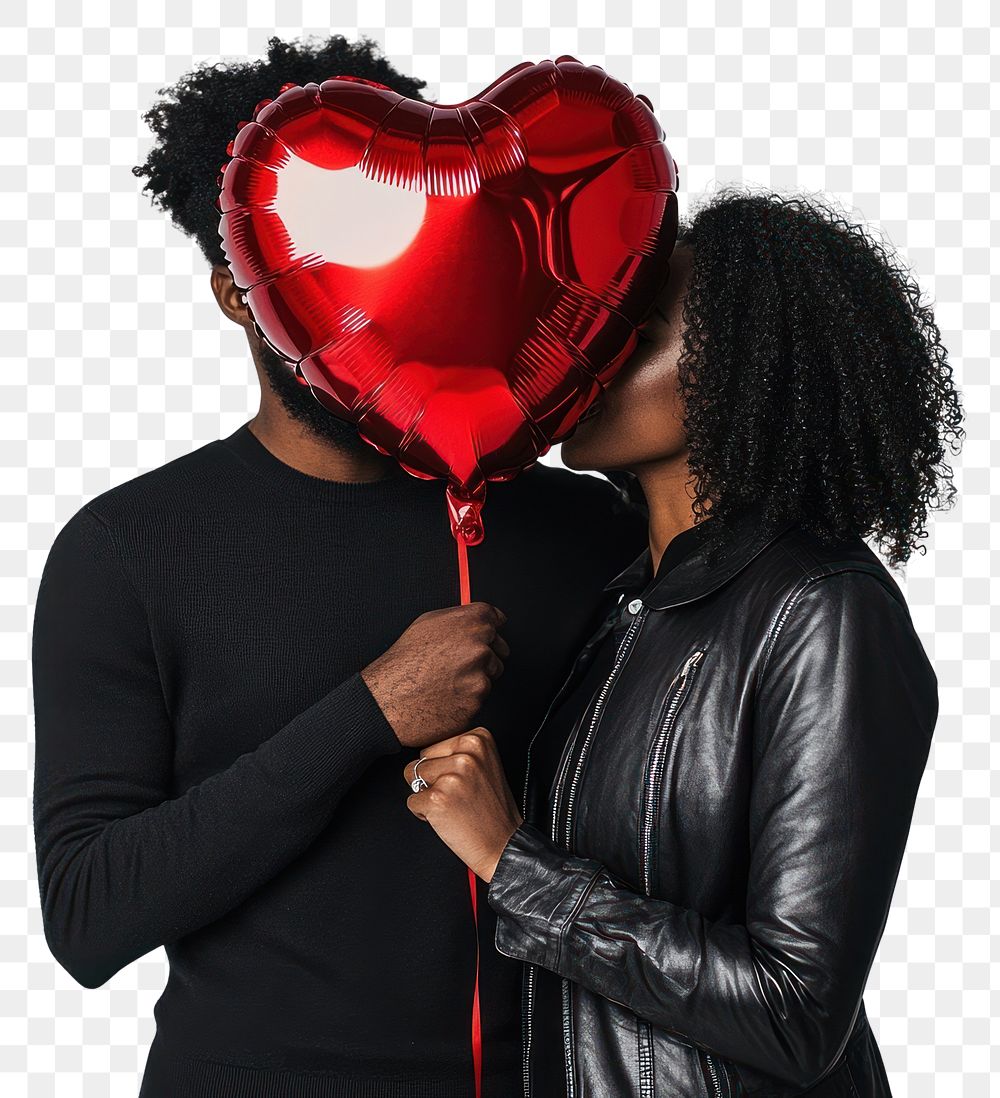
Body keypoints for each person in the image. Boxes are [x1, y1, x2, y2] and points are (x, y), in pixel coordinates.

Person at [30, 35, 646, 1098]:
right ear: (238, 293)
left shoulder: (585, 527)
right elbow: (89, 917)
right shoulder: (127, 548)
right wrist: (366, 711)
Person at [403, 186, 965, 1097]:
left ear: (749, 367)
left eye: (645, 323)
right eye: (597, 320)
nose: (590, 352)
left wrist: (515, 864)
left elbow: (796, 1012)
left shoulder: (824, 610)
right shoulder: (629, 606)